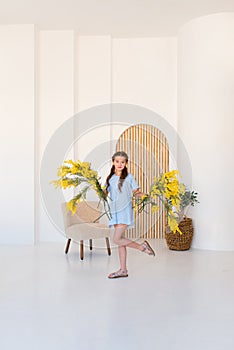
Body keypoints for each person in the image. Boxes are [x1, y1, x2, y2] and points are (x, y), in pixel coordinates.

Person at [105, 151, 155, 279]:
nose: (120, 164)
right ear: (113, 162)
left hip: (124, 211)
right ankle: (123, 270)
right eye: (117, 161)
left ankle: (142, 247)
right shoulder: (110, 178)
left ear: (126, 163)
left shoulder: (129, 177)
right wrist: (99, 189)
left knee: (116, 239)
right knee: (121, 241)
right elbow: (105, 194)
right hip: (114, 212)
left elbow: (136, 192)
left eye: (122, 162)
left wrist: (146, 196)